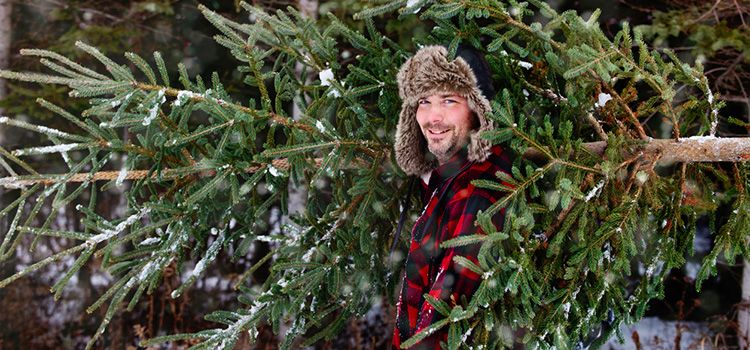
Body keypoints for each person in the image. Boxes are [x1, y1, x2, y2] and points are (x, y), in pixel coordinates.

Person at [391, 45, 512, 349]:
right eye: (424, 101)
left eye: (449, 100)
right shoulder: (447, 178)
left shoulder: (480, 187)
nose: (433, 116)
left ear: (477, 110)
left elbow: (446, 320)